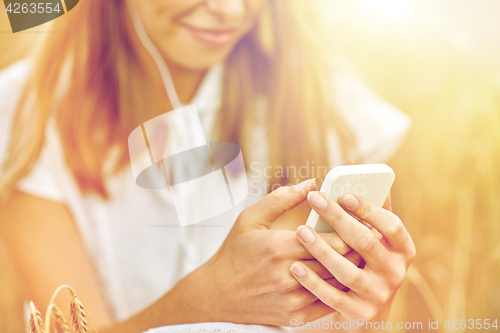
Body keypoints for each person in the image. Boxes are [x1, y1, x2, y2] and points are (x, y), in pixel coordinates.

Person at [0, 0, 414, 332]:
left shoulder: (323, 102)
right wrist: (199, 302)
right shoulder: (28, 109)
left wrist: (363, 318)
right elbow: (70, 325)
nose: (231, 10)